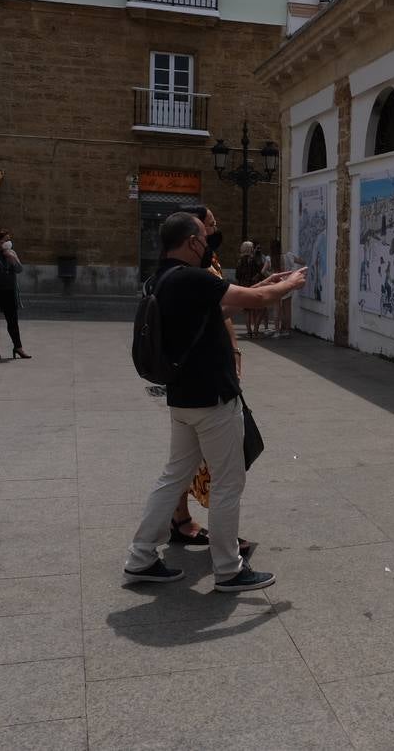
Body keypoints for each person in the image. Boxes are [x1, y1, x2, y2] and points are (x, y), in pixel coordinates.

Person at [123, 212, 306, 590]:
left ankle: (140, 557)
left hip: (183, 398)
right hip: (212, 399)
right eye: (205, 237)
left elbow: (215, 311)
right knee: (227, 483)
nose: (209, 243)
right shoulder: (193, 277)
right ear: (192, 241)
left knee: (173, 477)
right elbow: (257, 299)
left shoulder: (162, 279)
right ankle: (229, 569)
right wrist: (290, 283)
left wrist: (267, 283)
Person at [168, 206, 252, 551]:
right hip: (203, 382)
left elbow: (221, 315)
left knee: (186, 465)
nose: (215, 229)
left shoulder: (202, 263)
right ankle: (224, 553)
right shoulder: (192, 271)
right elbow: (223, 306)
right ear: (194, 232)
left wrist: (234, 350)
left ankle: (155, 541)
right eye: (210, 225)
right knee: (217, 470)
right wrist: (276, 287)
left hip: (199, 378)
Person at [0, 228, 29, 360]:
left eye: (9, 240)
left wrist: (12, 258)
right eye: (5, 240)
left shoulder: (11, 252)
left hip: (9, 291)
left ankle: (18, 347)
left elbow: (19, 269)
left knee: (13, 320)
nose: (8, 242)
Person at [236, 241, 265, 337]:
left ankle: (249, 331)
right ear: (250, 249)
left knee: (247, 310)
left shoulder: (240, 260)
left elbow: (237, 275)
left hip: (243, 286)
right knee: (260, 308)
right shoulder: (254, 259)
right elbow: (260, 271)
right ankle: (256, 330)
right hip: (254, 286)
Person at [270, 238, 297, 337]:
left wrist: (271, 275)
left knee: (277, 309)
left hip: (277, 284)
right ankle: (286, 330)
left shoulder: (271, 259)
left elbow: (263, 271)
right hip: (287, 284)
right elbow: (302, 261)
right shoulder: (288, 256)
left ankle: (277, 331)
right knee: (287, 309)